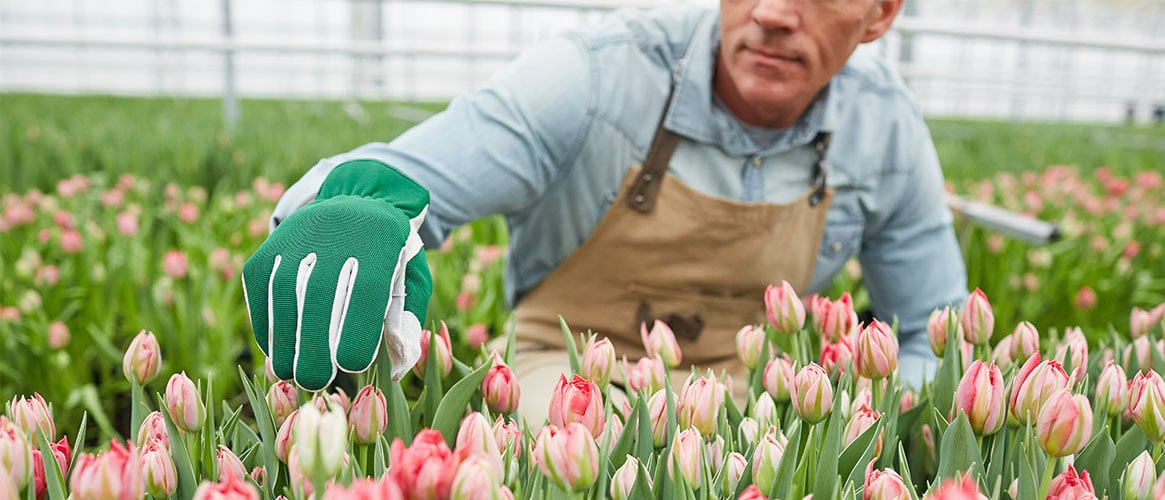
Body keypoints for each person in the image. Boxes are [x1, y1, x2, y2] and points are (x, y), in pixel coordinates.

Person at [242, 0, 968, 422]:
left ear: (880, 14)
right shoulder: (596, 74)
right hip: (569, 381)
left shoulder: (885, 127)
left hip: (761, 395)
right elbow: (406, 177)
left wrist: (855, 425)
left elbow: (933, 337)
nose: (774, 13)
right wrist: (346, 211)